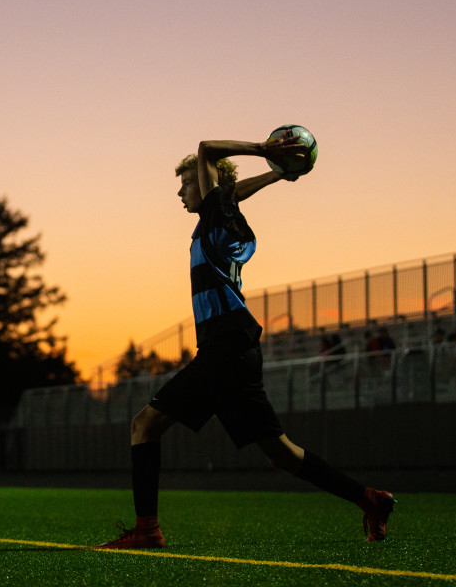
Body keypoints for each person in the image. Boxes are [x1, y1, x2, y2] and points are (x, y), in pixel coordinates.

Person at [95, 133, 395, 549]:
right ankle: (371, 500)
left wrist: (264, 152)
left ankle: (147, 530)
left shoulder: (216, 209)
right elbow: (232, 192)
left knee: (144, 425)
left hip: (224, 346)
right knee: (281, 454)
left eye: (185, 183)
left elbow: (205, 149)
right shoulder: (218, 216)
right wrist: (274, 174)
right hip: (237, 350)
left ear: (205, 184)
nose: (180, 192)